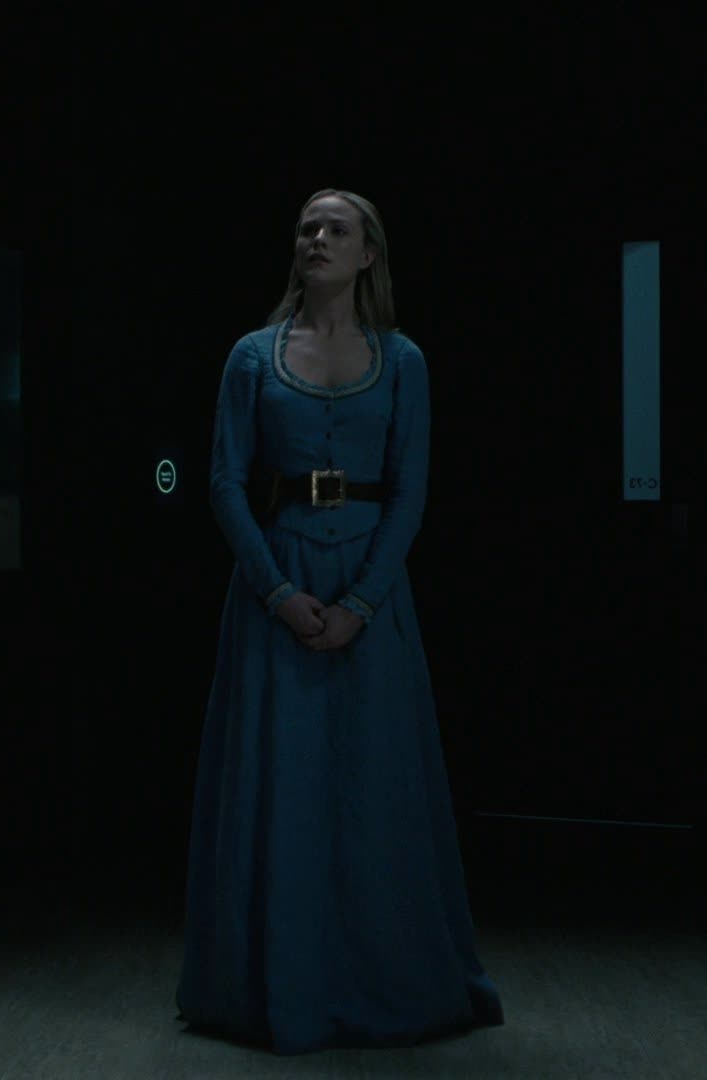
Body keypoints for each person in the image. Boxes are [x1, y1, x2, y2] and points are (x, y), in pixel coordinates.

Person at [174, 189, 506, 1055]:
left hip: (368, 584)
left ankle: (385, 982)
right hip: (279, 578)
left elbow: (411, 491)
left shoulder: (404, 361)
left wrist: (362, 602)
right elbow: (224, 483)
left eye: (336, 229)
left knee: (374, 788)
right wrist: (278, 592)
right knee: (280, 789)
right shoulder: (252, 357)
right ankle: (271, 987)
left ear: (368, 254)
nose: (316, 238)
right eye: (307, 228)